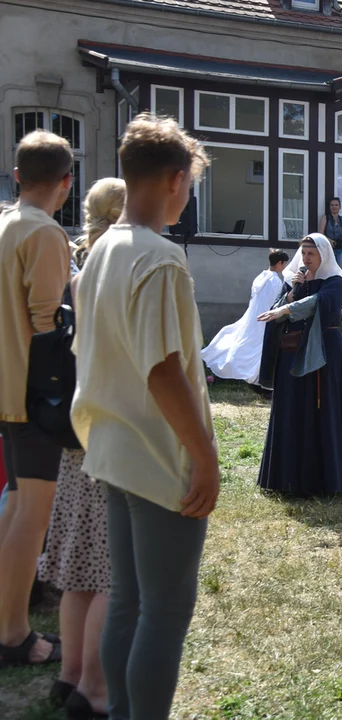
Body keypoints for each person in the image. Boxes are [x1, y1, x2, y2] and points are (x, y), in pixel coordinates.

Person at [70, 114, 218, 719]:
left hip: (111, 448)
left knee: (129, 601)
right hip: (160, 459)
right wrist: (205, 456)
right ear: (176, 180)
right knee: (163, 608)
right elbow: (164, 373)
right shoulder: (159, 258)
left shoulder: (102, 250)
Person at [38, 177, 124, 716]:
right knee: (111, 574)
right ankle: (95, 689)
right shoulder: (114, 268)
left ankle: (69, 677)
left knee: (77, 573)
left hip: (75, 430)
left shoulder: (78, 271)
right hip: (108, 430)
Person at [0, 130, 72, 671]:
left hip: (7, 386)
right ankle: (14, 634)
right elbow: (47, 323)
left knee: (16, 504)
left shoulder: (4, 223)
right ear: (67, 183)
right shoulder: (45, 234)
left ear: (18, 174)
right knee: (31, 511)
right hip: (33, 392)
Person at [256, 234, 342, 497]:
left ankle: (324, 480)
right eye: (303, 253)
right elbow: (278, 309)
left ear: (323, 255)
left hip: (323, 354)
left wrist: (287, 310)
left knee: (321, 409)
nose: (306, 258)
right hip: (293, 353)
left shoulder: (334, 281)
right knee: (292, 408)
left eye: (311, 253)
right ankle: (287, 478)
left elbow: (321, 304)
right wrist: (291, 294)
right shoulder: (295, 282)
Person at [202, 249, 288, 385]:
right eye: (284, 264)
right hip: (265, 317)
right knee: (257, 345)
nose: (284, 267)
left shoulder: (261, 277)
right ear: (279, 263)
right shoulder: (275, 281)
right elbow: (274, 301)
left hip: (253, 316)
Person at [319, 197, 342, 270]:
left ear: (340, 207)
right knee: (329, 270)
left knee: (340, 270)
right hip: (329, 248)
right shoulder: (325, 218)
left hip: (341, 248)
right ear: (329, 207)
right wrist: (329, 240)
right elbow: (321, 233)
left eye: (336, 205)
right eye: (332, 205)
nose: (334, 207)